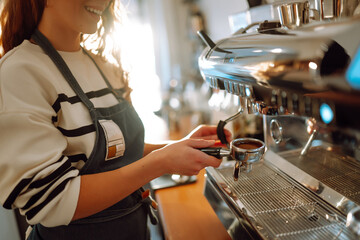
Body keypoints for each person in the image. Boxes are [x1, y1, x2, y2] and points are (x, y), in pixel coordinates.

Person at [0, 0, 231, 239]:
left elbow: (118, 153)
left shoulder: (104, 68)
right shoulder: (19, 73)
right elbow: (53, 201)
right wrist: (161, 162)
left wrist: (179, 146)